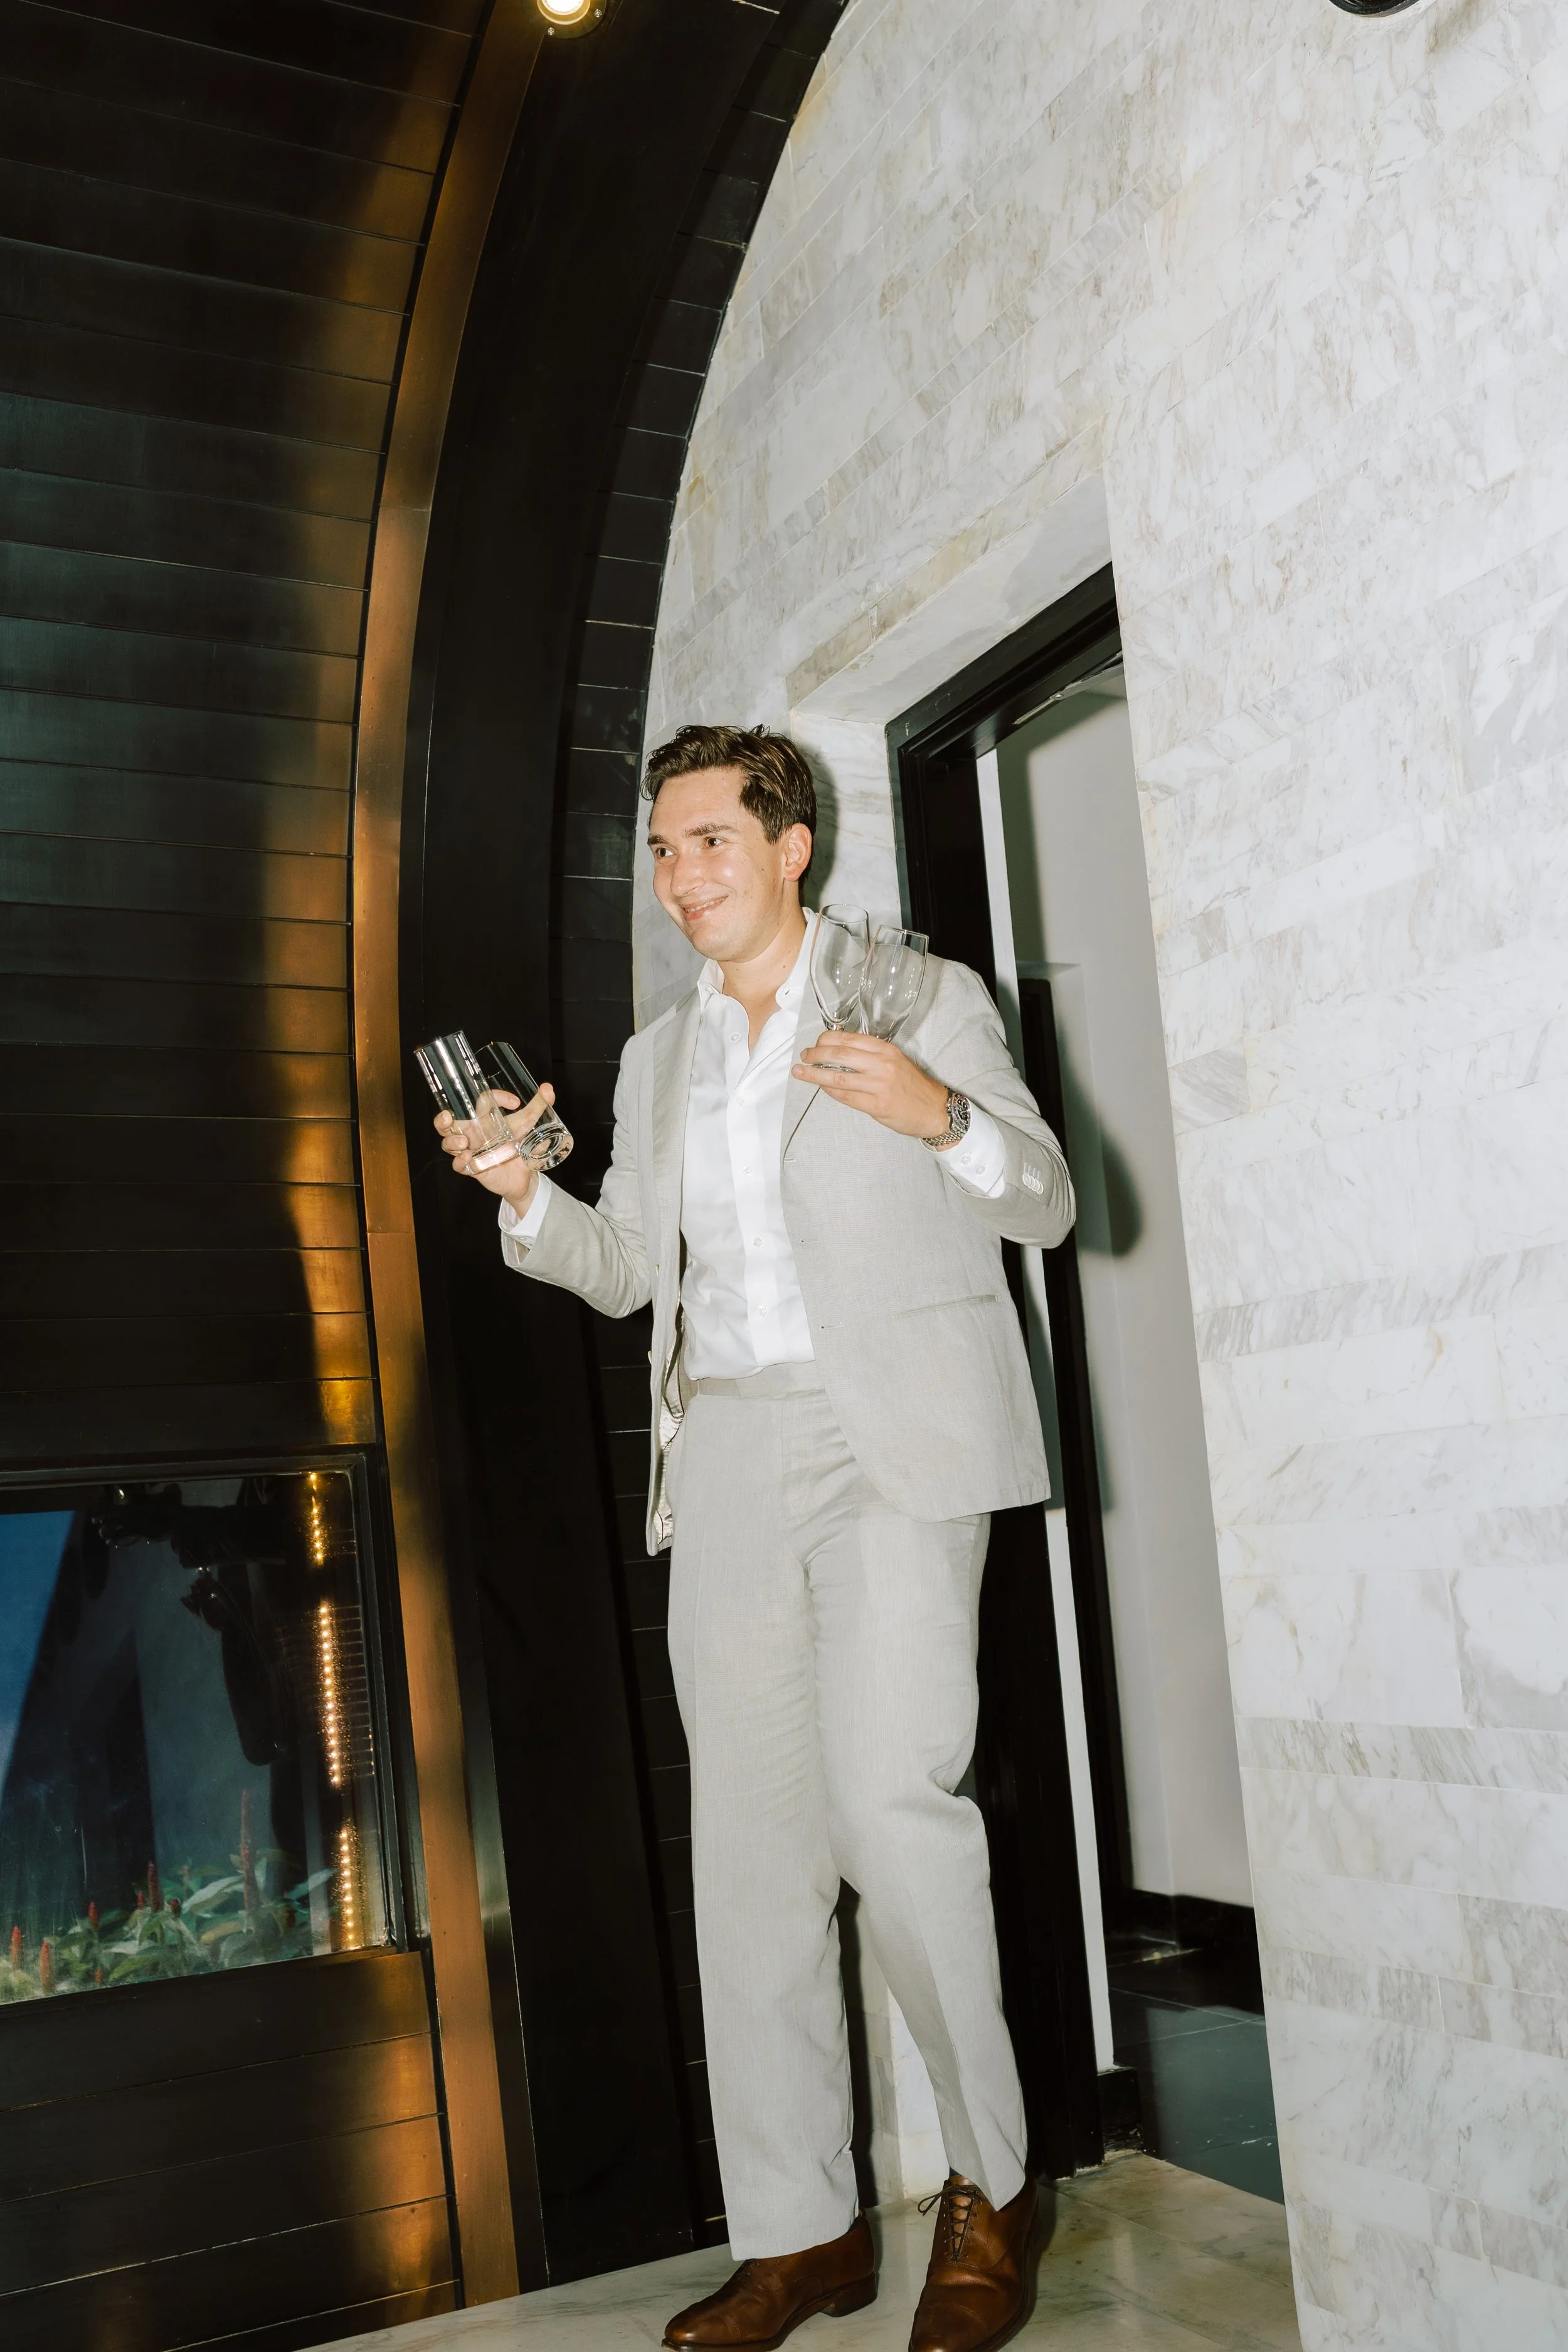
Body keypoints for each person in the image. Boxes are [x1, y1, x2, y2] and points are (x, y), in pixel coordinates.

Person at [437, 725, 1076, 2352]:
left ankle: (995, 2185)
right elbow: (627, 1269)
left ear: (792, 846)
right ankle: (801, 2230)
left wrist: (940, 1114)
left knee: (890, 1807)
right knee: (751, 1854)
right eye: (661, 849)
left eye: (710, 840)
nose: (680, 875)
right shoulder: (662, 1058)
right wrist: (521, 1191)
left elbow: (1048, 1198)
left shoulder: (917, 997)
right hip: (721, 1448)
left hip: (891, 1441)